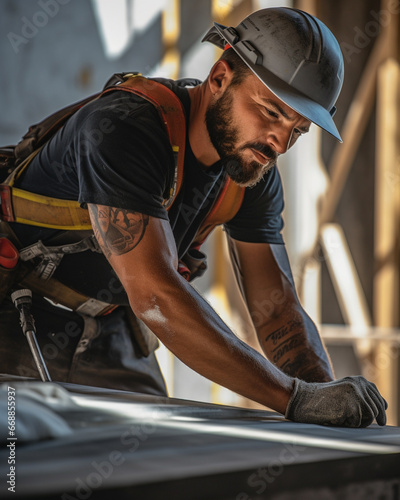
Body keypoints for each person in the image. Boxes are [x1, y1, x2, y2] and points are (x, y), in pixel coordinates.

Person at [0, 7, 387, 427]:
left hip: (112, 329)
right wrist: (292, 398)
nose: (280, 141)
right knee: (21, 465)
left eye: (298, 129)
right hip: (19, 318)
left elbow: (276, 311)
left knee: (151, 467)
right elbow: (155, 295)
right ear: (220, 78)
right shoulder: (126, 129)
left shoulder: (251, 169)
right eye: (272, 112)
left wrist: (323, 396)